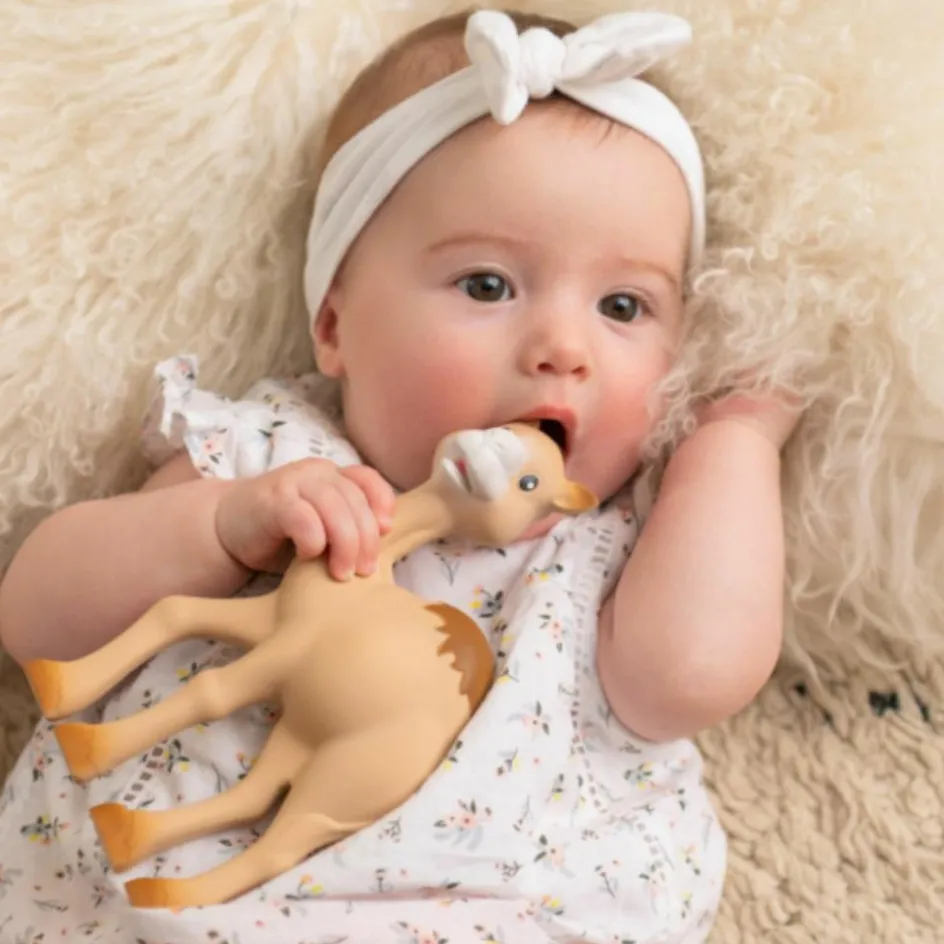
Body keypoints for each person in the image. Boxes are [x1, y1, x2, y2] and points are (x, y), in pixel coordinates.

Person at [0, 7, 797, 943]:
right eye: (487, 285)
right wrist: (216, 527)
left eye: (624, 306)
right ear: (335, 326)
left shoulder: (620, 540)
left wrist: (734, 438)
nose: (563, 347)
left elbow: (692, 676)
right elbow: (36, 618)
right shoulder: (267, 454)